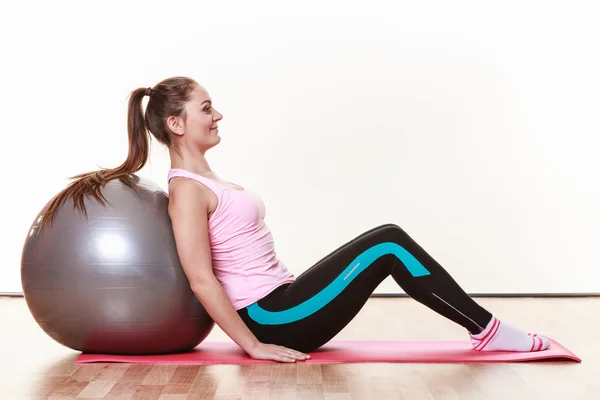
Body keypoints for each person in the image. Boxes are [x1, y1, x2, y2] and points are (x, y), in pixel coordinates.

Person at [40, 76, 550, 363]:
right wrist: (254, 346)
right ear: (176, 124)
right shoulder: (187, 192)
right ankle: (487, 331)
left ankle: (486, 330)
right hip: (271, 317)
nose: (218, 116)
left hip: (284, 301)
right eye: (206, 109)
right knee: (388, 243)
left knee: (386, 241)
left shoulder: (208, 179)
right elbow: (199, 277)